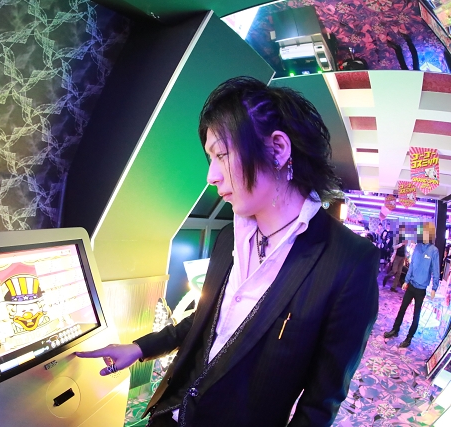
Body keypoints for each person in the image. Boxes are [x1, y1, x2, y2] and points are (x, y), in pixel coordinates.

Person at [75, 77, 380, 427]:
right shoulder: (228, 237)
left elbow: (319, 404)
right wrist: (139, 348)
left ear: (278, 149)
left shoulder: (348, 262)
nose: (211, 176)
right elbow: (206, 321)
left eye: (221, 154)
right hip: (169, 414)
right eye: (211, 158)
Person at [384, 222, 440, 348]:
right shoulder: (418, 247)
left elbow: (436, 271)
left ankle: (409, 338)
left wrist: (434, 288)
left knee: (416, 315)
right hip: (411, 286)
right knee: (402, 309)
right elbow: (412, 265)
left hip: (421, 289)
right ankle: (395, 330)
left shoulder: (434, 251)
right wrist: (406, 281)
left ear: (430, 234)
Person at [383, 224, 408, 291]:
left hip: (402, 256)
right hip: (397, 256)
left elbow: (405, 248)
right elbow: (394, 247)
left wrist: (406, 255)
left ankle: (393, 287)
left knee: (399, 273)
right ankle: (386, 277)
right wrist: (401, 244)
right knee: (394, 271)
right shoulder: (397, 238)